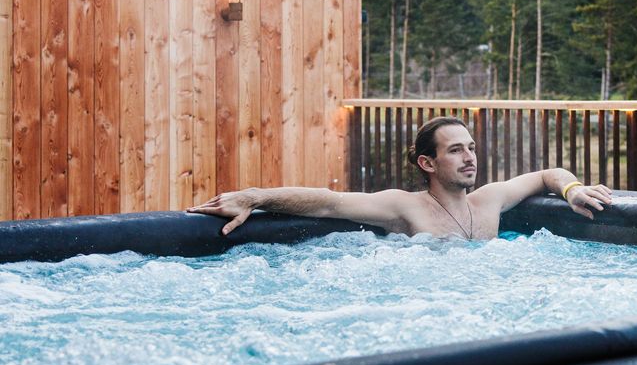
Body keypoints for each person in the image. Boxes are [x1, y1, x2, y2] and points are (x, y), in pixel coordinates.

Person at [187, 116, 613, 239]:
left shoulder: (490, 200)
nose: (469, 158)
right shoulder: (405, 207)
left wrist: (572, 189)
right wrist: (254, 196)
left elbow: (547, 175)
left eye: (471, 147)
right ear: (427, 163)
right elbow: (329, 202)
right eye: (455, 150)